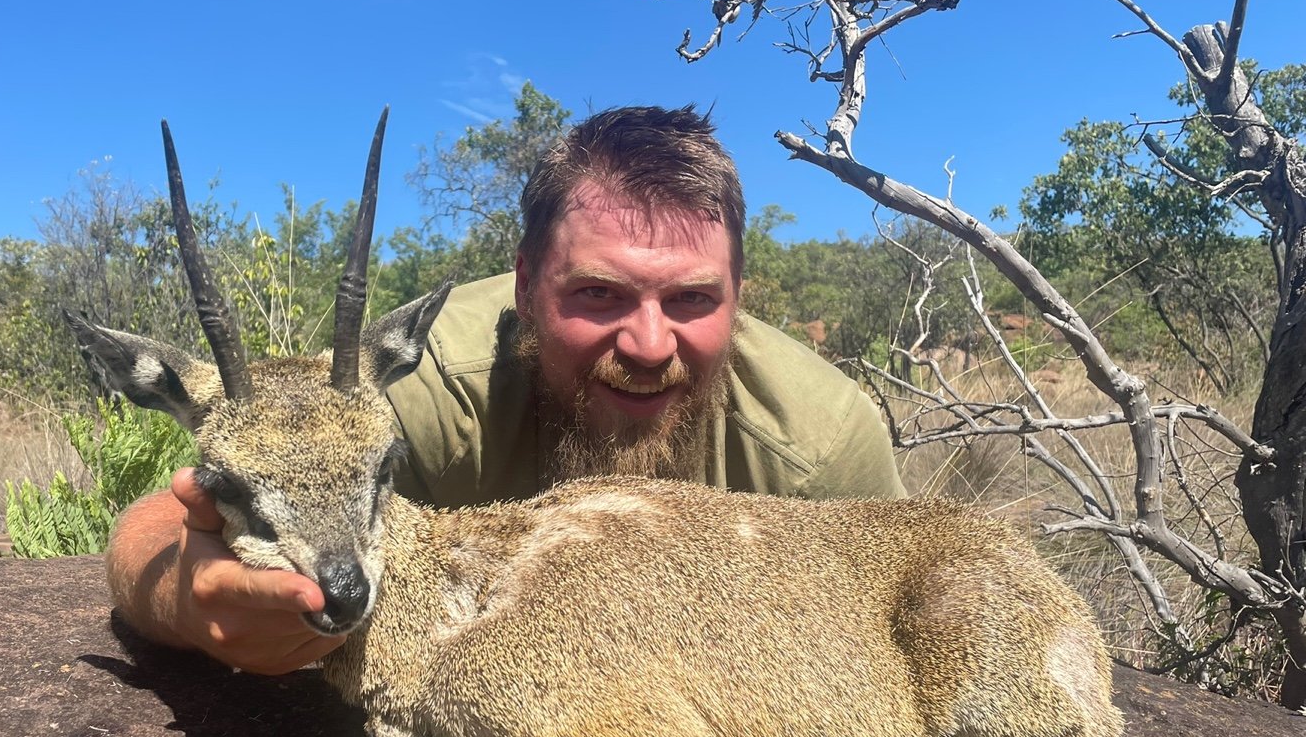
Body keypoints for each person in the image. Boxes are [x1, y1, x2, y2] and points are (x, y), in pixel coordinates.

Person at [105, 105, 904, 675]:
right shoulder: (441, 380)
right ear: (524, 287)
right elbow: (162, 521)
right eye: (599, 294)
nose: (649, 345)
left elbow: (904, 593)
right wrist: (193, 602)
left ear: (740, 293)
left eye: (693, 299)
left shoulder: (820, 441)